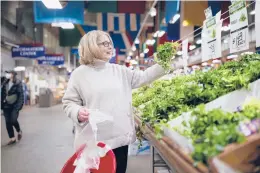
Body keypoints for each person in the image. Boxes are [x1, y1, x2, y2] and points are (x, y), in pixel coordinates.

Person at [62, 30, 167, 173]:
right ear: (91, 46)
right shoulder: (79, 74)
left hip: (120, 139)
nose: (110, 46)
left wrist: (165, 62)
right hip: (95, 143)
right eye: (104, 43)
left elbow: (143, 77)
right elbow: (69, 102)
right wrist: (78, 112)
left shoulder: (119, 70)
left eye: (110, 43)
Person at [1, 70, 24, 145]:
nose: (7, 74)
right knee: (8, 122)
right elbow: (3, 93)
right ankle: (12, 138)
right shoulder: (5, 82)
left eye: (9, 73)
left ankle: (19, 131)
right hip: (6, 105)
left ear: (13, 74)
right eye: (6, 73)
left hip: (14, 106)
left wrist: (18, 106)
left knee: (13, 120)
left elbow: (21, 96)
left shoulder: (18, 83)